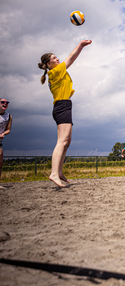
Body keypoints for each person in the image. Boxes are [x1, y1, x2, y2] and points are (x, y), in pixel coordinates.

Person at [38, 40, 92, 188]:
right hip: (62, 106)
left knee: (67, 142)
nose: (57, 59)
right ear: (49, 64)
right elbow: (71, 58)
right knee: (61, 141)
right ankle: (54, 173)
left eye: (56, 57)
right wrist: (81, 45)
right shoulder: (55, 71)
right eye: (54, 58)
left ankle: (59, 172)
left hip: (65, 106)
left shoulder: (57, 72)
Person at [0, 98, 12, 189]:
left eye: (6, 102)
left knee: (0, 163)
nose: (5, 104)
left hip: (0, 142)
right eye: (2, 102)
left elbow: (8, 129)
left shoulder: (8, 116)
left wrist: (3, 133)